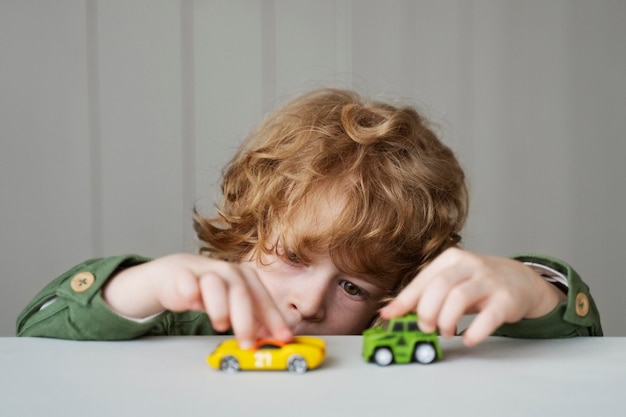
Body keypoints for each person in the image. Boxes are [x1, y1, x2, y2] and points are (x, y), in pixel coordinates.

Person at [17, 88, 602, 348]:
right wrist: (139, 287)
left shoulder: (400, 342)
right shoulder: (177, 326)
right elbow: (36, 334)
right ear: (249, 231)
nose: (310, 304)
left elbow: (580, 344)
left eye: (353, 285)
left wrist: (532, 286)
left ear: (395, 297)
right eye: (295, 257)